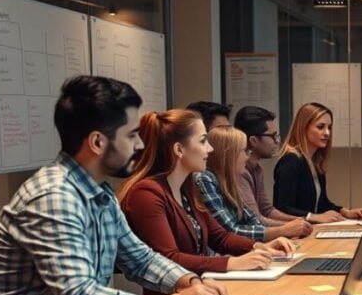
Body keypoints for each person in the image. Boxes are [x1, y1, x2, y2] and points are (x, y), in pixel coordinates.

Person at [0, 76, 226, 295]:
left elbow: (140, 258)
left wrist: (188, 282)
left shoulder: (99, 193)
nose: (140, 145)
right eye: (132, 135)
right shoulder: (54, 197)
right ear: (97, 142)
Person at [118, 109, 293, 279]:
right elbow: (168, 258)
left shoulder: (187, 186)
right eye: (203, 141)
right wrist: (231, 263)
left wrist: (259, 246)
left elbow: (220, 237)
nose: (210, 149)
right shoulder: (146, 194)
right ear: (179, 150)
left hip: (203, 287)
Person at [195, 126, 312, 242]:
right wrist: (283, 230)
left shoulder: (229, 181)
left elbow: (252, 220)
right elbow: (230, 231)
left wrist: (290, 227)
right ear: (229, 154)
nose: (247, 156)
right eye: (244, 150)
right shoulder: (205, 179)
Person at [273, 102, 362, 223]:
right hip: (295, 233)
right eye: (320, 127)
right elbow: (281, 208)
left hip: (310, 229)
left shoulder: (315, 162)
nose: (327, 133)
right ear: (304, 127)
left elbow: (321, 203)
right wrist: (311, 216)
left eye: (329, 127)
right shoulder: (290, 161)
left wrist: (345, 211)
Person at [233, 106, 312, 235]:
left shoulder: (257, 169)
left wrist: (300, 221)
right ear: (253, 140)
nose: (278, 140)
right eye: (273, 136)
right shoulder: (239, 171)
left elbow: (267, 210)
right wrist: (291, 227)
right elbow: (256, 220)